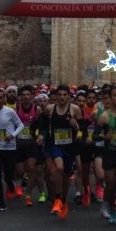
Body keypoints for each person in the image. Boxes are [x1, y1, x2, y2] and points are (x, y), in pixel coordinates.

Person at [43, 84, 83, 219]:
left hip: (69, 147)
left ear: (69, 97)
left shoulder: (75, 109)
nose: (62, 98)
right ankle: (58, 199)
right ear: (56, 96)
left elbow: (83, 129)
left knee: (65, 176)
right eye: (59, 95)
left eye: (65, 95)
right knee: (58, 168)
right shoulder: (49, 109)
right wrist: (40, 134)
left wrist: (75, 125)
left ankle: (63, 200)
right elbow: (42, 123)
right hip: (55, 145)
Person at [0, 89, 24, 211]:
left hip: (10, 148)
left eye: (1, 97)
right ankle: (2, 203)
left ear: (4, 99)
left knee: (7, 175)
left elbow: (21, 125)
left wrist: (12, 135)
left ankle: (11, 184)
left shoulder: (10, 112)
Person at [96, 84, 116, 224]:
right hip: (109, 153)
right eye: (115, 95)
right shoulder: (104, 116)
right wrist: (105, 137)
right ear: (110, 98)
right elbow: (95, 136)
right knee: (109, 184)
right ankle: (111, 210)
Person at [14, 84, 45, 206]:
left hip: (32, 144)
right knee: (21, 171)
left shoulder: (37, 109)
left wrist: (40, 135)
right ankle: (16, 183)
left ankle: (28, 194)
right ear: (20, 97)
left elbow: (41, 124)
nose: (26, 97)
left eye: (28, 95)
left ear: (32, 96)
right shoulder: (16, 109)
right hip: (19, 144)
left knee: (32, 168)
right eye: (23, 95)